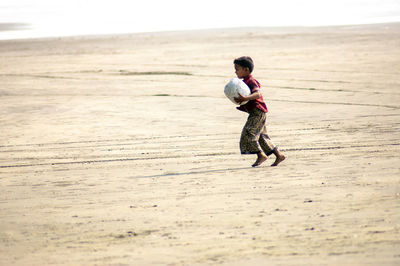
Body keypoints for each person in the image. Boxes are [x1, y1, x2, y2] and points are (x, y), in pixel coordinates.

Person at [233, 56, 286, 167]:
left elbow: (257, 94)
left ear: (246, 70)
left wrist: (245, 99)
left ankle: (260, 155)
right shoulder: (244, 82)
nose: (235, 71)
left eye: (237, 69)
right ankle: (279, 155)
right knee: (262, 137)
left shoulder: (251, 81)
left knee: (249, 133)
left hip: (258, 112)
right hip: (256, 112)